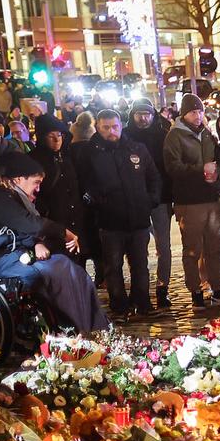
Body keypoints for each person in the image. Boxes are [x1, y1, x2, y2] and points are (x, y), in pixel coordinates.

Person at [0, 153, 109, 333]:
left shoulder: (12, 194)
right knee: (45, 274)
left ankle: (93, 326)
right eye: (36, 182)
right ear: (18, 179)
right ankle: (67, 329)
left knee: (68, 267)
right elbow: (25, 222)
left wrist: (36, 243)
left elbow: (22, 227)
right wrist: (62, 232)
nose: (39, 189)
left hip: (13, 253)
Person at [74, 109, 158, 316]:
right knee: (113, 266)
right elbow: (84, 183)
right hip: (109, 221)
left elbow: (153, 177)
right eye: (106, 127)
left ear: (121, 125)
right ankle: (119, 304)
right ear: (98, 127)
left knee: (140, 264)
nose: (112, 131)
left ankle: (142, 302)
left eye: (115, 127)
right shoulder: (89, 152)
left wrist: (150, 201)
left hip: (138, 218)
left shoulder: (136, 148)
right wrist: (98, 203)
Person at [163, 93, 220, 308]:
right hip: (188, 201)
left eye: (200, 111)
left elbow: (217, 160)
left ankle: (218, 289)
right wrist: (201, 170)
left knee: (215, 246)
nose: (198, 115)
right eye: (193, 112)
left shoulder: (207, 133)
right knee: (192, 249)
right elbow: (173, 167)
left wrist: (216, 173)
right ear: (184, 114)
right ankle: (196, 292)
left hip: (210, 198)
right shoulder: (175, 136)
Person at [128, 99, 177, 306]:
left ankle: (162, 287)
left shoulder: (162, 135)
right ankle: (140, 289)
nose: (143, 118)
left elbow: (170, 167)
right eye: (139, 114)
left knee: (163, 245)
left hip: (162, 198)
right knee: (137, 246)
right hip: (134, 199)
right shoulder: (126, 137)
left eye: (146, 113)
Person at [28, 117, 85, 252]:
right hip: (52, 221)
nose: (57, 139)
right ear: (42, 137)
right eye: (51, 135)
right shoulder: (33, 160)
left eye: (59, 135)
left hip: (76, 219)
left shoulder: (69, 155)